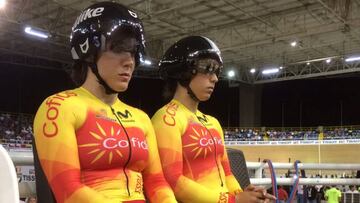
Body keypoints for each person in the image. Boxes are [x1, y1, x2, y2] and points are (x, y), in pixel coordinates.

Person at [33, 2, 176, 203]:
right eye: (118, 48)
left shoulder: (141, 118)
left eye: (134, 51)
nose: (130, 61)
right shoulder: (59, 106)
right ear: (88, 51)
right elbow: (69, 191)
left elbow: (157, 182)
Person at [151, 36, 276, 203]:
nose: (215, 79)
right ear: (183, 73)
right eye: (207, 69)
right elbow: (173, 181)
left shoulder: (213, 122)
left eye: (216, 71)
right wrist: (234, 200)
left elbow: (227, 173)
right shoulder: (165, 119)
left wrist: (245, 195)